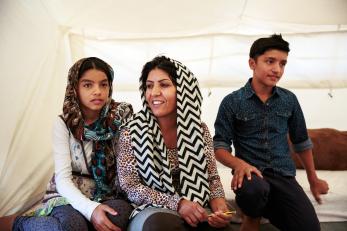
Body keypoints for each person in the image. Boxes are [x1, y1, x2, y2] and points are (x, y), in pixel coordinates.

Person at [213, 34, 329, 231]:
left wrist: (313, 179)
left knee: (310, 227)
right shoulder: (232, 102)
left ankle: (264, 208)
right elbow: (220, 147)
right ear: (252, 63)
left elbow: (301, 141)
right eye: (270, 61)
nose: (277, 69)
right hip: (251, 178)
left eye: (282, 64)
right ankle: (252, 216)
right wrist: (239, 164)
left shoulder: (289, 100)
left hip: (283, 176)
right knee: (255, 191)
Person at [9, 57, 134, 231]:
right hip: (68, 193)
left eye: (103, 84)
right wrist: (91, 210)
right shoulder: (64, 123)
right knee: (73, 226)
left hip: (108, 194)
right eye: (88, 85)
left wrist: (97, 209)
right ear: (75, 88)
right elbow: (63, 179)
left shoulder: (121, 119)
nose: (97, 91)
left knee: (116, 218)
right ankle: (21, 224)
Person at [117, 56, 234, 231]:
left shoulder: (199, 130)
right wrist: (178, 203)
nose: (154, 92)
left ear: (184, 90)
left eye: (164, 85)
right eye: (149, 86)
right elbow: (130, 187)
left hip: (198, 207)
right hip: (151, 211)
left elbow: (212, 178)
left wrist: (219, 206)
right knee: (158, 226)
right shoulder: (131, 132)